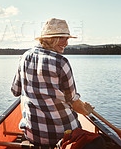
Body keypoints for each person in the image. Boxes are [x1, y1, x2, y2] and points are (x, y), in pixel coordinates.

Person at [11, 18, 94, 148]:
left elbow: (15, 91)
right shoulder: (61, 62)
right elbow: (72, 99)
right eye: (61, 38)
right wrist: (85, 111)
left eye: (67, 38)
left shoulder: (24, 57)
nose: (66, 43)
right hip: (64, 134)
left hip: (34, 135)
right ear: (50, 39)